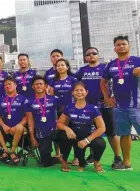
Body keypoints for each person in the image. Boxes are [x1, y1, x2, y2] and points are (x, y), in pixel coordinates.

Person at [75, 47, 121, 168]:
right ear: (85, 57)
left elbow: (118, 81)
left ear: (98, 55)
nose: (91, 56)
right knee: (90, 131)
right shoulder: (82, 70)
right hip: (89, 107)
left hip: (105, 105)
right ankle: (92, 155)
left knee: (111, 132)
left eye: (94, 53)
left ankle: (117, 157)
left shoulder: (105, 68)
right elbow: (74, 84)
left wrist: (113, 97)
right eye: (88, 54)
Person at [101, 35, 140, 171]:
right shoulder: (111, 65)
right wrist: (106, 97)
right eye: (118, 44)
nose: (121, 46)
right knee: (124, 134)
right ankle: (126, 163)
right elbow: (103, 82)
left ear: (129, 46)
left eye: (124, 44)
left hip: (136, 105)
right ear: (114, 48)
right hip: (119, 107)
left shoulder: (137, 60)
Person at [57, 82, 106, 173]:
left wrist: (87, 140)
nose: (79, 92)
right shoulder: (69, 107)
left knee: (100, 143)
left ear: (86, 92)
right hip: (74, 136)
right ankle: (64, 161)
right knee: (63, 136)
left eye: (81, 90)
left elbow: (102, 128)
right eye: (76, 90)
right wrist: (67, 128)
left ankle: (96, 162)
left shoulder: (93, 108)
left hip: (88, 137)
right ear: (72, 93)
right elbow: (59, 123)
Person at [26, 75, 62, 167]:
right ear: (33, 87)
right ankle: (57, 159)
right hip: (41, 132)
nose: (39, 86)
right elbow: (30, 121)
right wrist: (32, 138)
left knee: (66, 137)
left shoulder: (54, 99)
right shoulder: (29, 101)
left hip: (55, 130)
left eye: (41, 84)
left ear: (45, 86)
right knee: (45, 162)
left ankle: (68, 156)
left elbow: (64, 112)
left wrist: (60, 124)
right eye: (36, 84)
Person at [0, 76, 28, 164]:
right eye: (5, 85)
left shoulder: (23, 99)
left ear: (15, 85)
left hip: (19, 128)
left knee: (19, 127)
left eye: (9, 84)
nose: (7, 86)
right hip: (6, 128)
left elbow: (27, 116)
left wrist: (17, 126)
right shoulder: (1, 100)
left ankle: (12, 151)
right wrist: (4, 126)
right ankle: (5, 150)